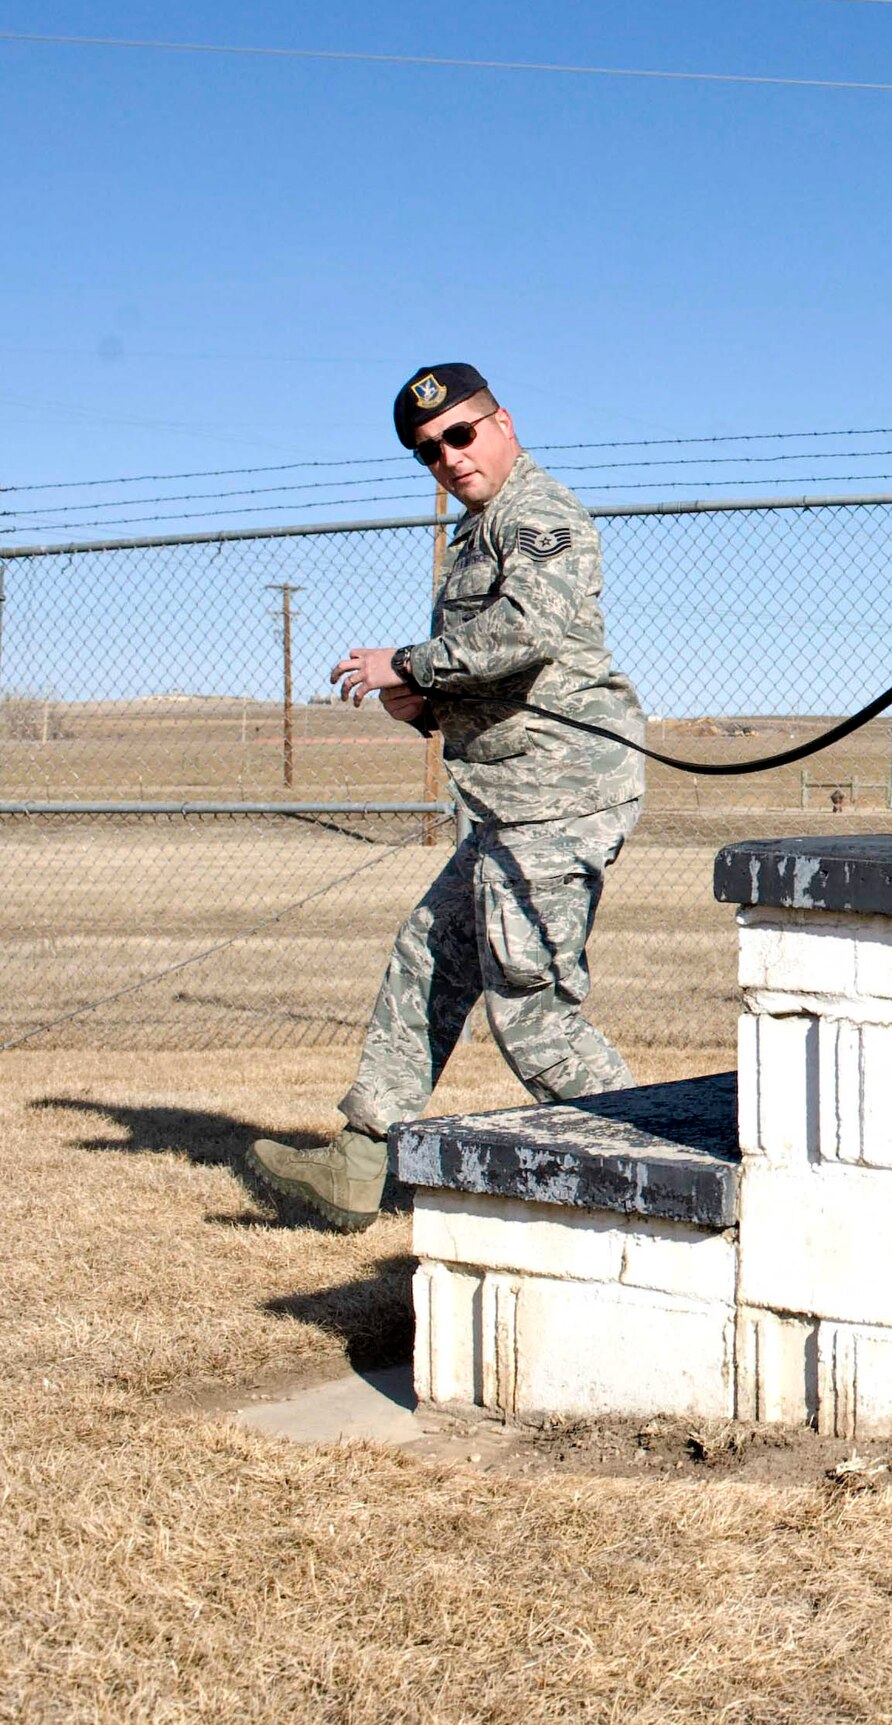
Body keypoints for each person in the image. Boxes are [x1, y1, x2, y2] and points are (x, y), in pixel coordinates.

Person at [249, 363, 647, 1231]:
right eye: (430, 452)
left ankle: (664, 1158)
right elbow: (499, 672)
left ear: (502, 422)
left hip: (559, 795)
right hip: (515, 794)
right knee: (428, 952)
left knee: (532, 1008)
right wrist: (426, 704)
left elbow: (528, 630)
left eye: (460, 435)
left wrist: (409, 663)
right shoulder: (478, 530)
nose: (449, 458)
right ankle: (361, 1164)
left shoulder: (536, 515)